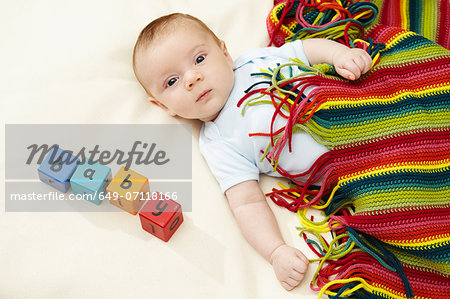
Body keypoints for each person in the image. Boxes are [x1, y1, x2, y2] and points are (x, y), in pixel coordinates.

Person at [132, 13, 372, 291]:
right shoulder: (219, 143)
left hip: (359, 106)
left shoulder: (252, 61)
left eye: (199, 59)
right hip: (354, 173)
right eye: (171, 82)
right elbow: (247, 203)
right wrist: (275, 251)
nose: (192, 78)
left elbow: (303, 50)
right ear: (164, 107)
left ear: (225, 54)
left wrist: (340, 55)